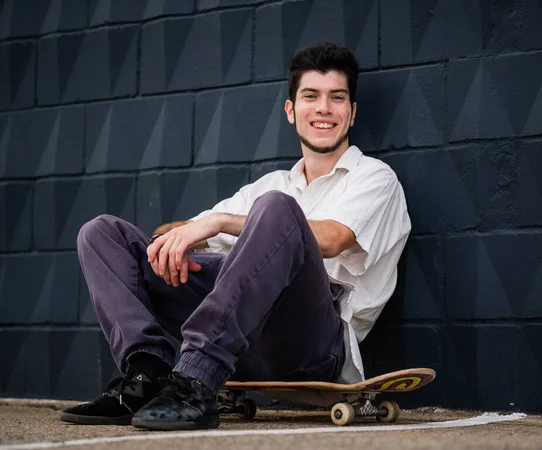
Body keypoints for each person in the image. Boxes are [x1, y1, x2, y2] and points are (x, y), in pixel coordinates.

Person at [60, 42, 411, 431]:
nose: (324, 108)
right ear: (291, 111)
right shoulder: (270, 185)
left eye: (337, 98)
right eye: (311, 96)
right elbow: (175, 235)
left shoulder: (375, 177)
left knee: (277, 210)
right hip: (245, 340)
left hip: (312, 345)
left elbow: (331, 239)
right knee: (103, 234)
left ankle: (196, 377)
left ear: (352, 112)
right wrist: (179, 241)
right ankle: (144, 374)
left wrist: (222, 223)